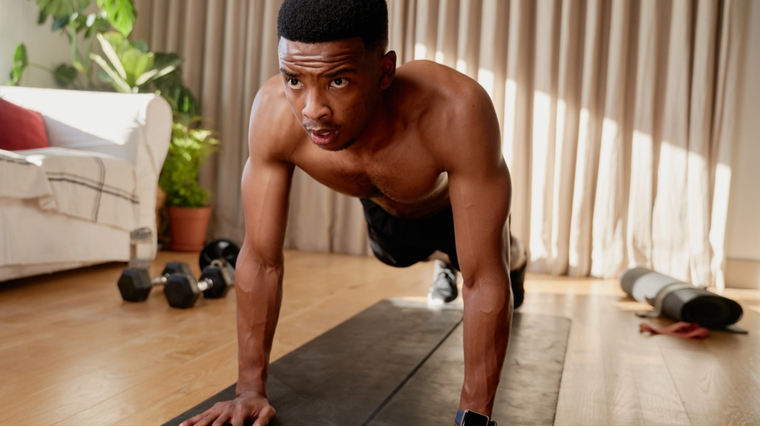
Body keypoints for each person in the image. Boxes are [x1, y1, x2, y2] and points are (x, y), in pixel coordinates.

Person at [182, 0, 527, 425]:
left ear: (384, 72)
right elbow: (261, 258)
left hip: (447, 209)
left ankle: (511, 251)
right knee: (393, 254)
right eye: (294, 79)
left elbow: (482, 279)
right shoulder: (273, 113)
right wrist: (249, 391)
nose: (312, 110)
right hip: (387, 216)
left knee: (493, 269)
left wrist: (474, 417)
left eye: (338, 81)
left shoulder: (455, 109)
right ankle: (441, 261)